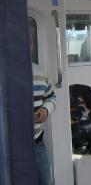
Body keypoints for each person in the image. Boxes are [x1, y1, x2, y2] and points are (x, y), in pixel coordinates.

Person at [30, 33, 57, 185]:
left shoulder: (40, 72)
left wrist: (46, 109)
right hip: (10, 145)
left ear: (32, 46)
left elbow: (51, 96)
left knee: (46, 181)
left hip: (37, 143)